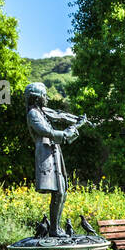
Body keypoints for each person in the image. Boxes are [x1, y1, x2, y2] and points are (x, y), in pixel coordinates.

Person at [25, 82, 85, 236]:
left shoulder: (41, 112)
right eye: (44, 96)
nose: (47, 99)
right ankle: (54, 230)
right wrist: (68, 132)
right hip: (46, 155)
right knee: (58, 191)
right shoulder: (33, 113)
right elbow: (47, 131)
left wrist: (74, 125)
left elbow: (56, 120)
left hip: (53, 152)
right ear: (37, 98)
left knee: (62, 191)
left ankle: (55, 228)